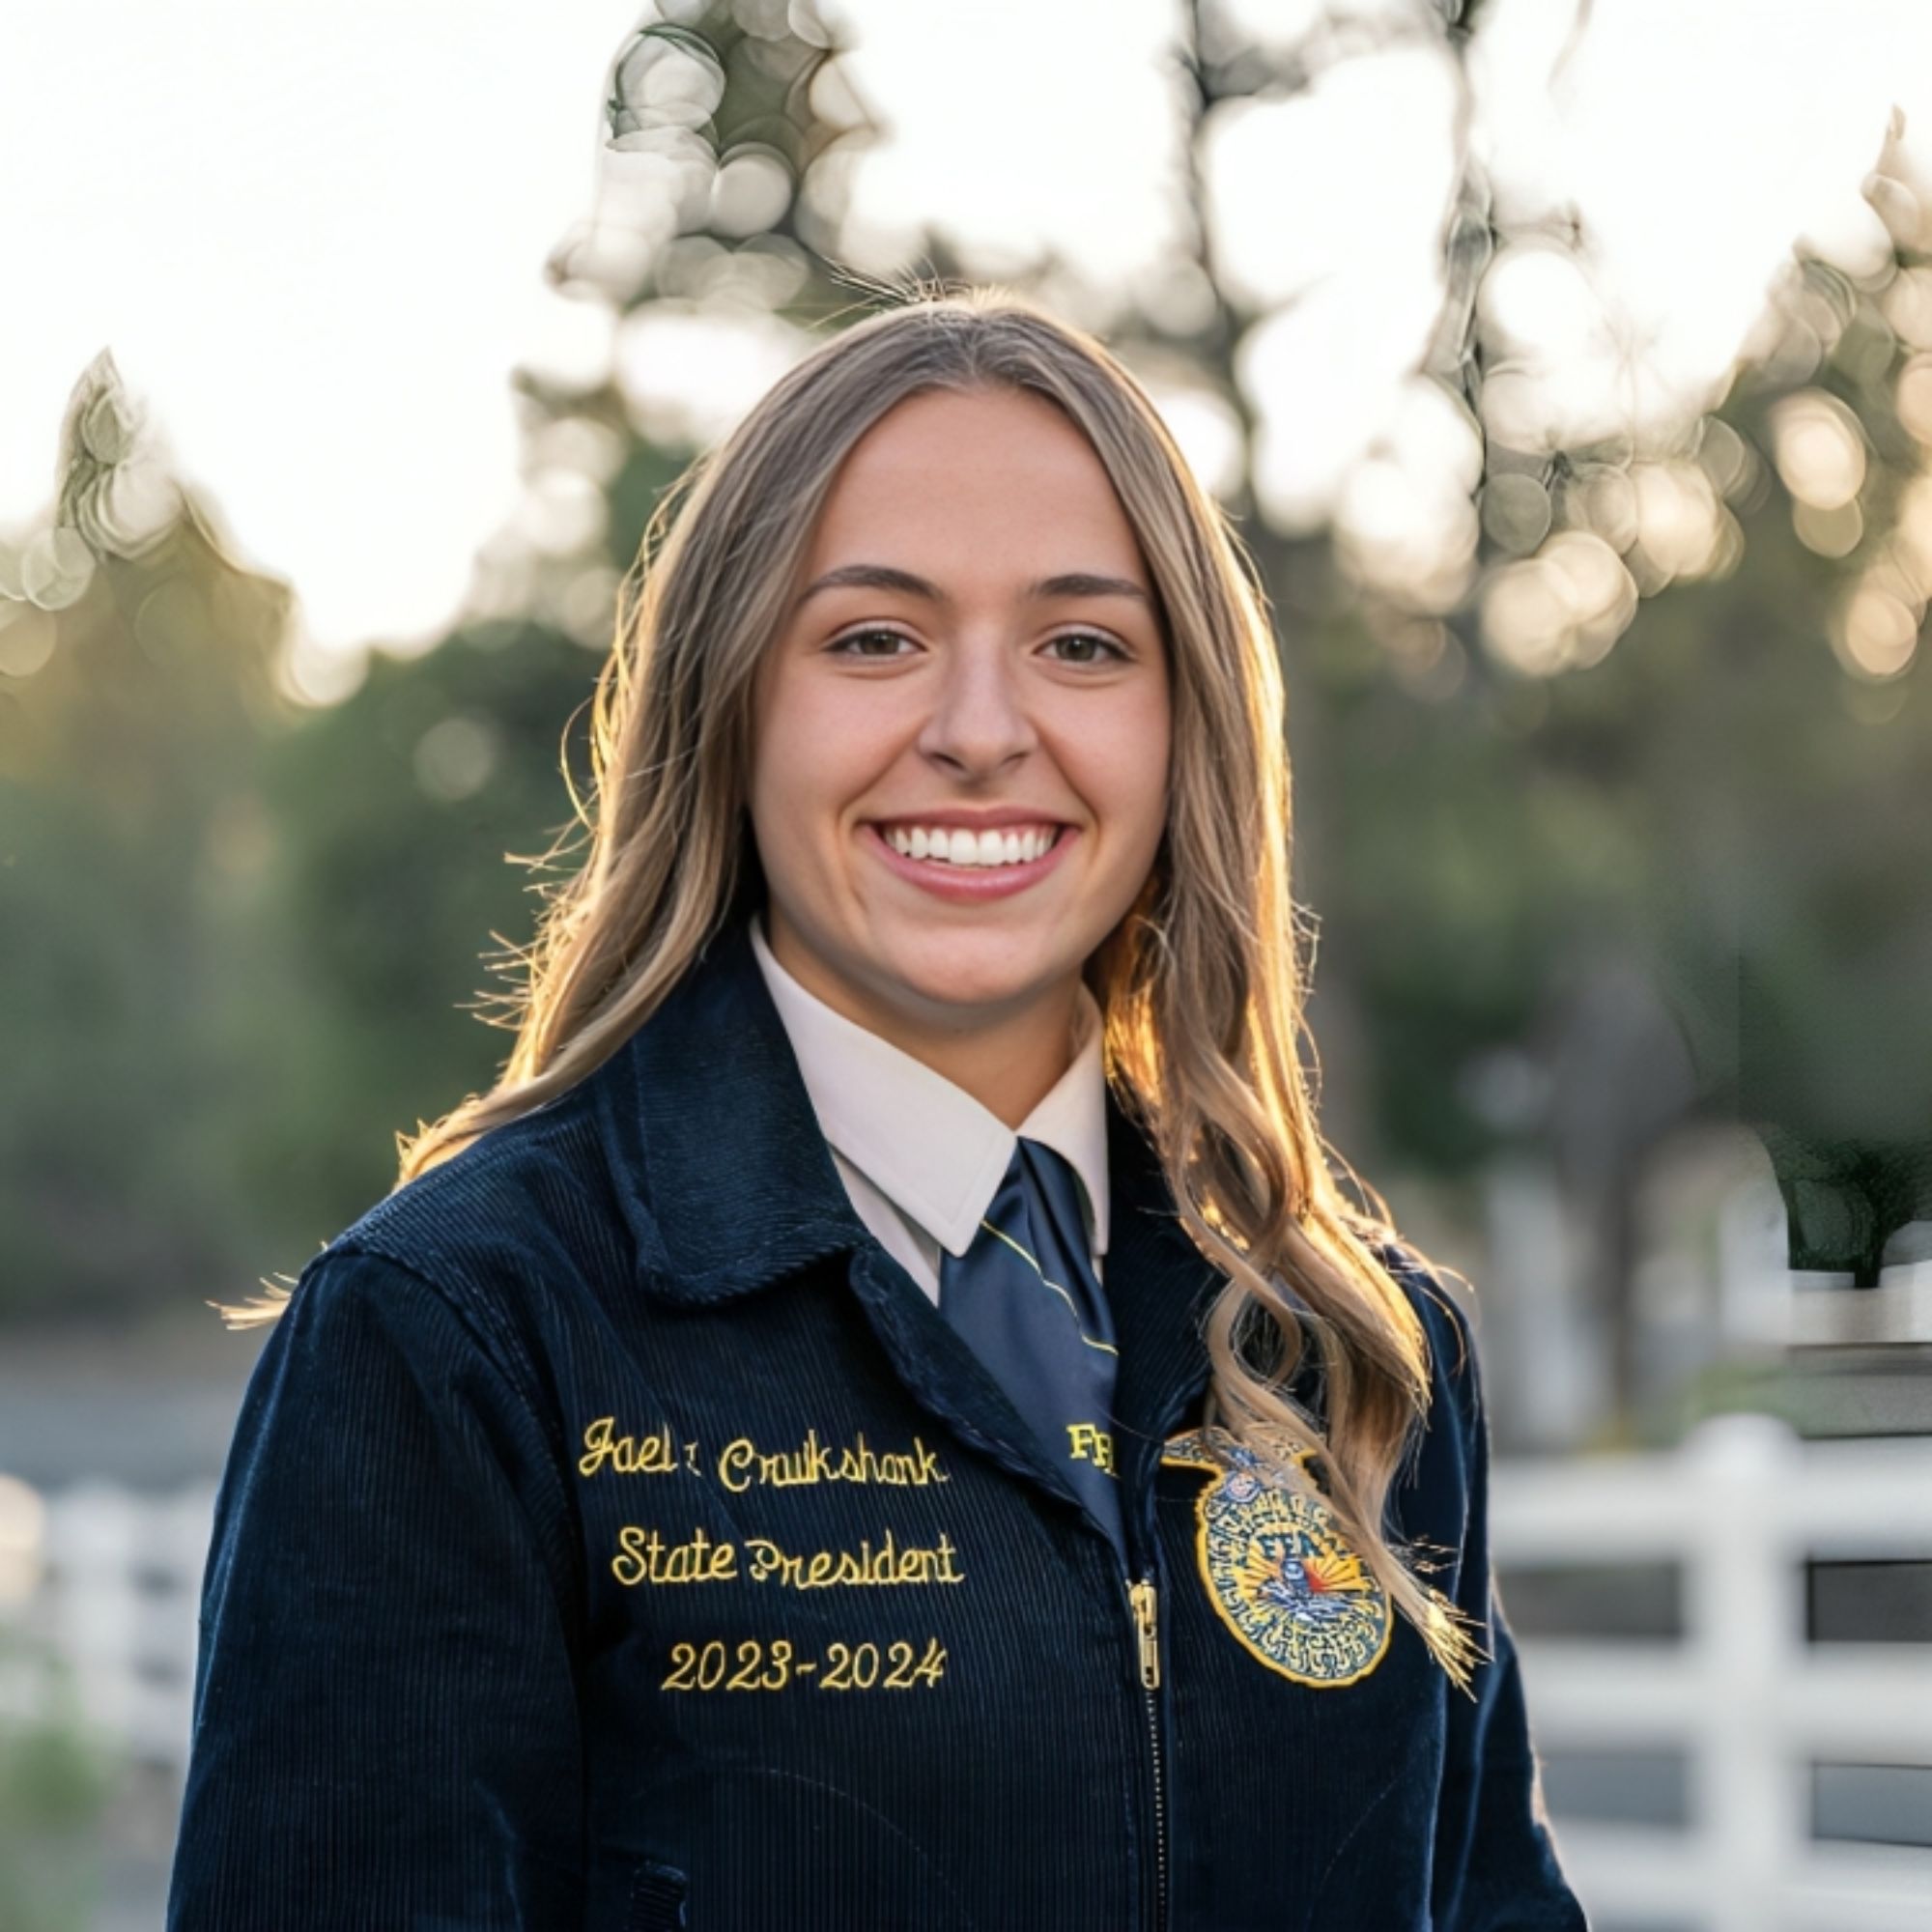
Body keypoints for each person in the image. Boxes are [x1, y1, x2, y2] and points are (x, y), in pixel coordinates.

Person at [165, 288, 1589, 1930]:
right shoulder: (460, 1337)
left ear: (1186, 724)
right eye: (872, 639)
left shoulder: (1350, 1350)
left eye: (1082, 644)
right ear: (730, 711)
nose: (982, 732)